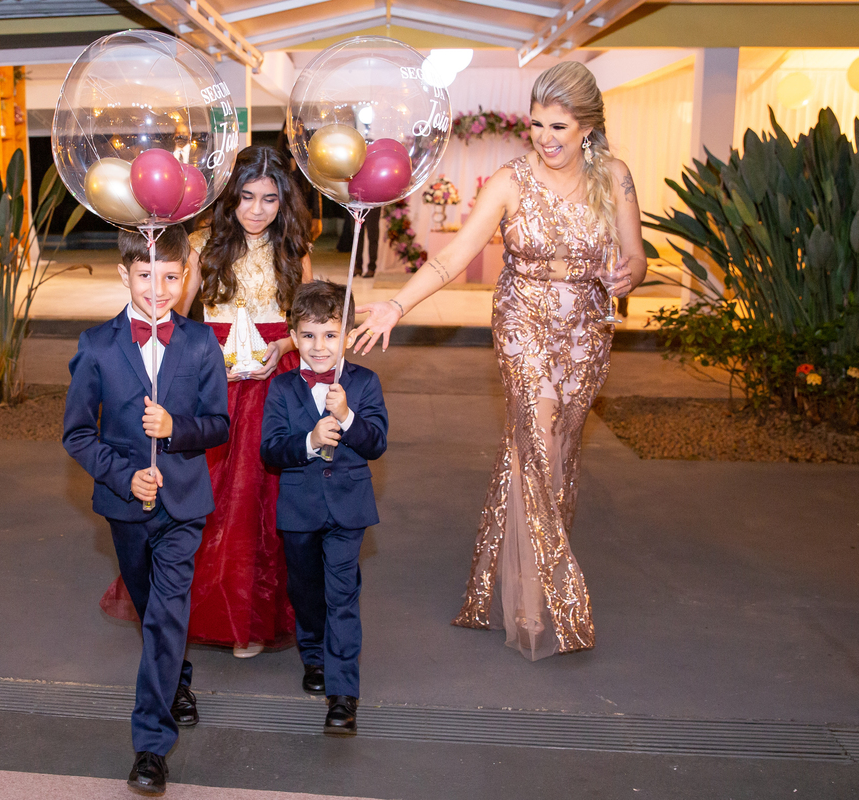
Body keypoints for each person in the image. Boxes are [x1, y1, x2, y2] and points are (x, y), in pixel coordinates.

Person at [351, 62, 647, 661]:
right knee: (536, 440)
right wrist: (395, 306)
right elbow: (455, 254)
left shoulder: (614, 176)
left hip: (587, 326)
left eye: (559, 125)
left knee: (556, 451)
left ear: (587, 125)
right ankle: (548, 601)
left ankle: (513, 578)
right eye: (537, 124)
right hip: (524, 324)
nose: (545, 137)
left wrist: (629, 273)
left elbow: (636, 258)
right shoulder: (510, 181)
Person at [101, 145, 314, 658]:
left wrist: (283, 345)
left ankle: (250, 616)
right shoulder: (203, 245)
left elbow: (308, 323)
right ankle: (190, 607)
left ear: (285, 201)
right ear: (229, 198)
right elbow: (176, 313)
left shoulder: (295, 249)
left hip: (273, 381)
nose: (257, 210)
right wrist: (199, 358)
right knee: (204, 495)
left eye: (269, 199)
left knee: (262, 499)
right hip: (212, 381)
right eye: (246, 198)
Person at [64, 227, 229, 794]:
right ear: (123, 274)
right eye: (145, 276)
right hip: (124, 506)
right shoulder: (97, 346)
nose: (158, 289)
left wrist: (175, 429)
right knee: (145, 603)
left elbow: (218, 424)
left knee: (165, 614)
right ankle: (175, 674)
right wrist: (124, 475)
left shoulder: (202, 344)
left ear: (185, 276)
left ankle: (150, 746)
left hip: (184, 505)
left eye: (170, 277)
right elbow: (78, 434)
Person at [260, 280, 388, 735]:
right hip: (299, 510)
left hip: (349, 509)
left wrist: (349, 418)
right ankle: (313, 653)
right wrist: (310, 441)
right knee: (307, 592)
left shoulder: (364, 383)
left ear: (348, 336)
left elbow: (377, 443)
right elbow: (271, 451)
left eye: (331, 335)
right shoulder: (280, 390)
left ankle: (343, 695)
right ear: (294, 336)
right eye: (309, 336)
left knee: (343, 596)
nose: (319, 347)